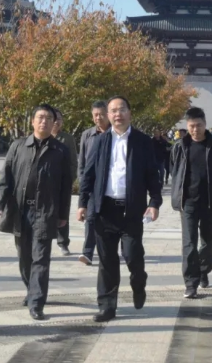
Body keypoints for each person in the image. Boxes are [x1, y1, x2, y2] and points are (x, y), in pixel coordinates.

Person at [77, 96, 162, 323]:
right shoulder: (100, 141)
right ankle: (107, 306)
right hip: (105, 210)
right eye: (113, 111)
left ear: (129, 112)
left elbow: (153, 175)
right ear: (108, 115)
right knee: (107, 261)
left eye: (122, 109)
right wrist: (83, 203)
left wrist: (154, 202)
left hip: (132, 211)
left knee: (132, 255)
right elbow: (88, 175)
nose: (118, 114)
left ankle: (138, 282)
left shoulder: (142, 142)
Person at [0, 104, 73, 321]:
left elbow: (66, 186)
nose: (44, 121)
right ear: (33, 121)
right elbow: (6, 176)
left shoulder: (60, 151)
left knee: (41, 257)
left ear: (54, 123)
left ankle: (37, 302)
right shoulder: (18, 146)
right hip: (21, 210)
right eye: (40, 117)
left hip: (46, 211)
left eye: (49, 118)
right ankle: (31, 290)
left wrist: (63, 214)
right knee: (24, 257)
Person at [169, 107, 212, 298]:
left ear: (205, 124)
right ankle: (190, 283)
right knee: (189, 243)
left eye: (199, 125)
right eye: (192, 126)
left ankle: (203, 270)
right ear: (187, 125)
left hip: (210, 202)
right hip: (188, 203)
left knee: (208, 242)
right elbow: (174, 171)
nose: (195, 130)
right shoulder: (180, 146)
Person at [77, 100, 111, 266]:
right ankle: (87, 252)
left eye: (102, 114)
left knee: (109, 220)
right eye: (95, 115)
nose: (99, 118)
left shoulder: (115, 133)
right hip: (92, 185)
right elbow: (82, 162)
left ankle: (110, 250)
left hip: (110, 186)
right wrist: (83, 183)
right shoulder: (87, 135)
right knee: (90, 218)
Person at [52, 108, 78, 257]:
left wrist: (70, 180)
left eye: (59, 119)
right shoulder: (41, 136)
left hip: (62, 183)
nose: (57, 122)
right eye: (54, 119)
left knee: (62, 214)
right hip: (44, 184)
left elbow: (73, 162)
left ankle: (63, 243)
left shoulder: (67, 138)